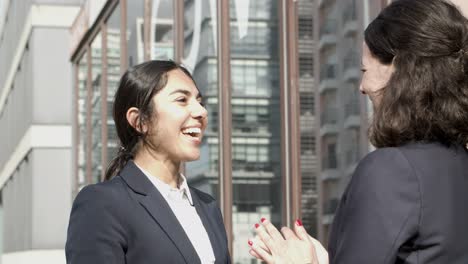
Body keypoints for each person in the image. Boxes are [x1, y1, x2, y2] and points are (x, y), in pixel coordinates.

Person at [248, 0, 468, 263]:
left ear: (399, 69)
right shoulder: (458, 163)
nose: (362, 86)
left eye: (365, 70)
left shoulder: (393, 170)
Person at [65, 60, 231, 264]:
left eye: (200, 102)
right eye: (182, 100)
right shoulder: (102, 204)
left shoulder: (208, 207)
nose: (201, 112)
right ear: (140, 121)